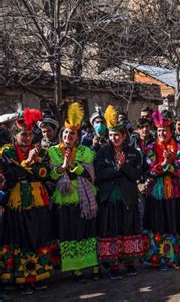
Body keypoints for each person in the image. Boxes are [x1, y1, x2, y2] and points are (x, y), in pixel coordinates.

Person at [0, 109, 53, 294]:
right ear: (15, 135)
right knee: (20, 238)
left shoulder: (43, 152)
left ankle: (38, 276)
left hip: (38, 201)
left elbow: (44, 174)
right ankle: (22, 279)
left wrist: (33, 164)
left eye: (30, 135)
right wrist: (29, 162)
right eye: (23, 134)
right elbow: (11, 176)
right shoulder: (6, 152)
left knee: (38, 236)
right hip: (17, 202)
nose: (27, 138)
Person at [48, 103, 99, 282]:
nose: (68, 136)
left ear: (78, 136)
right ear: (62, 135)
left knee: (87, 232)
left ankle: (91, 265)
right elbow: (52, 175)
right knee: (70, 233)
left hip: (85, 198)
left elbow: (90, 175)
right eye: (66, 133)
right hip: (66, 198)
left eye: (72, 133)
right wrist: (63, 166)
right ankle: (75, 269)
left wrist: (72, 165)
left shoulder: (86, 151)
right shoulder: (53, 152)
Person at [94, 105, 143, 279]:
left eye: (117, 135)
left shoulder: (133, 153)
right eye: (111, 135)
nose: (114, 138)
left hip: (127, 198)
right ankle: (113, 266)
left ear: (124, 136)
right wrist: (117, 168)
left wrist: (124, 166)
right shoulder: (103, 152)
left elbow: (137, 174)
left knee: (128, 229)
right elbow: (99, 175)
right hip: (109, 198)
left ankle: (129, 264)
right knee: (111, 231)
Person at [142, 111, 180, 270]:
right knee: (157, 222)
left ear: (171, 131)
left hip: (175, 192)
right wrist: (166, 164)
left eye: (165, 131)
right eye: (159, 130)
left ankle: (174, 258)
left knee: (174, 222)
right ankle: (157, 258)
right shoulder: (150, 148)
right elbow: (149, 169)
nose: (162, 133)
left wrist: (169, 165)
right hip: (156, 193)